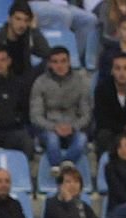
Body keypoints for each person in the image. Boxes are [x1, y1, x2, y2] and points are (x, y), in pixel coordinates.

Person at [29, 47, 92, 176]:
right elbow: (35, 116)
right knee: (52, 139)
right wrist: (54, 127)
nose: (60, 66)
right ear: (49, 64)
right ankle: (57, 167)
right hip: (48, 129)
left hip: (73, 127)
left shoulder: (80, 82)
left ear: (69, 62)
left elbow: (86, 114)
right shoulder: (40, 82)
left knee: (82, 138)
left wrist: (73, 127)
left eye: (63, 61)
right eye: (55, 62)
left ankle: (65, 166)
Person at [0, 1, 50, 80]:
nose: (22, 25)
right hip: (2, 84)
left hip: (24, 83)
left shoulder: (28, 37)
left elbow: (47, 53)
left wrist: (34, 29)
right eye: (18, 19)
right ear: (9, 19)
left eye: (26, 20)